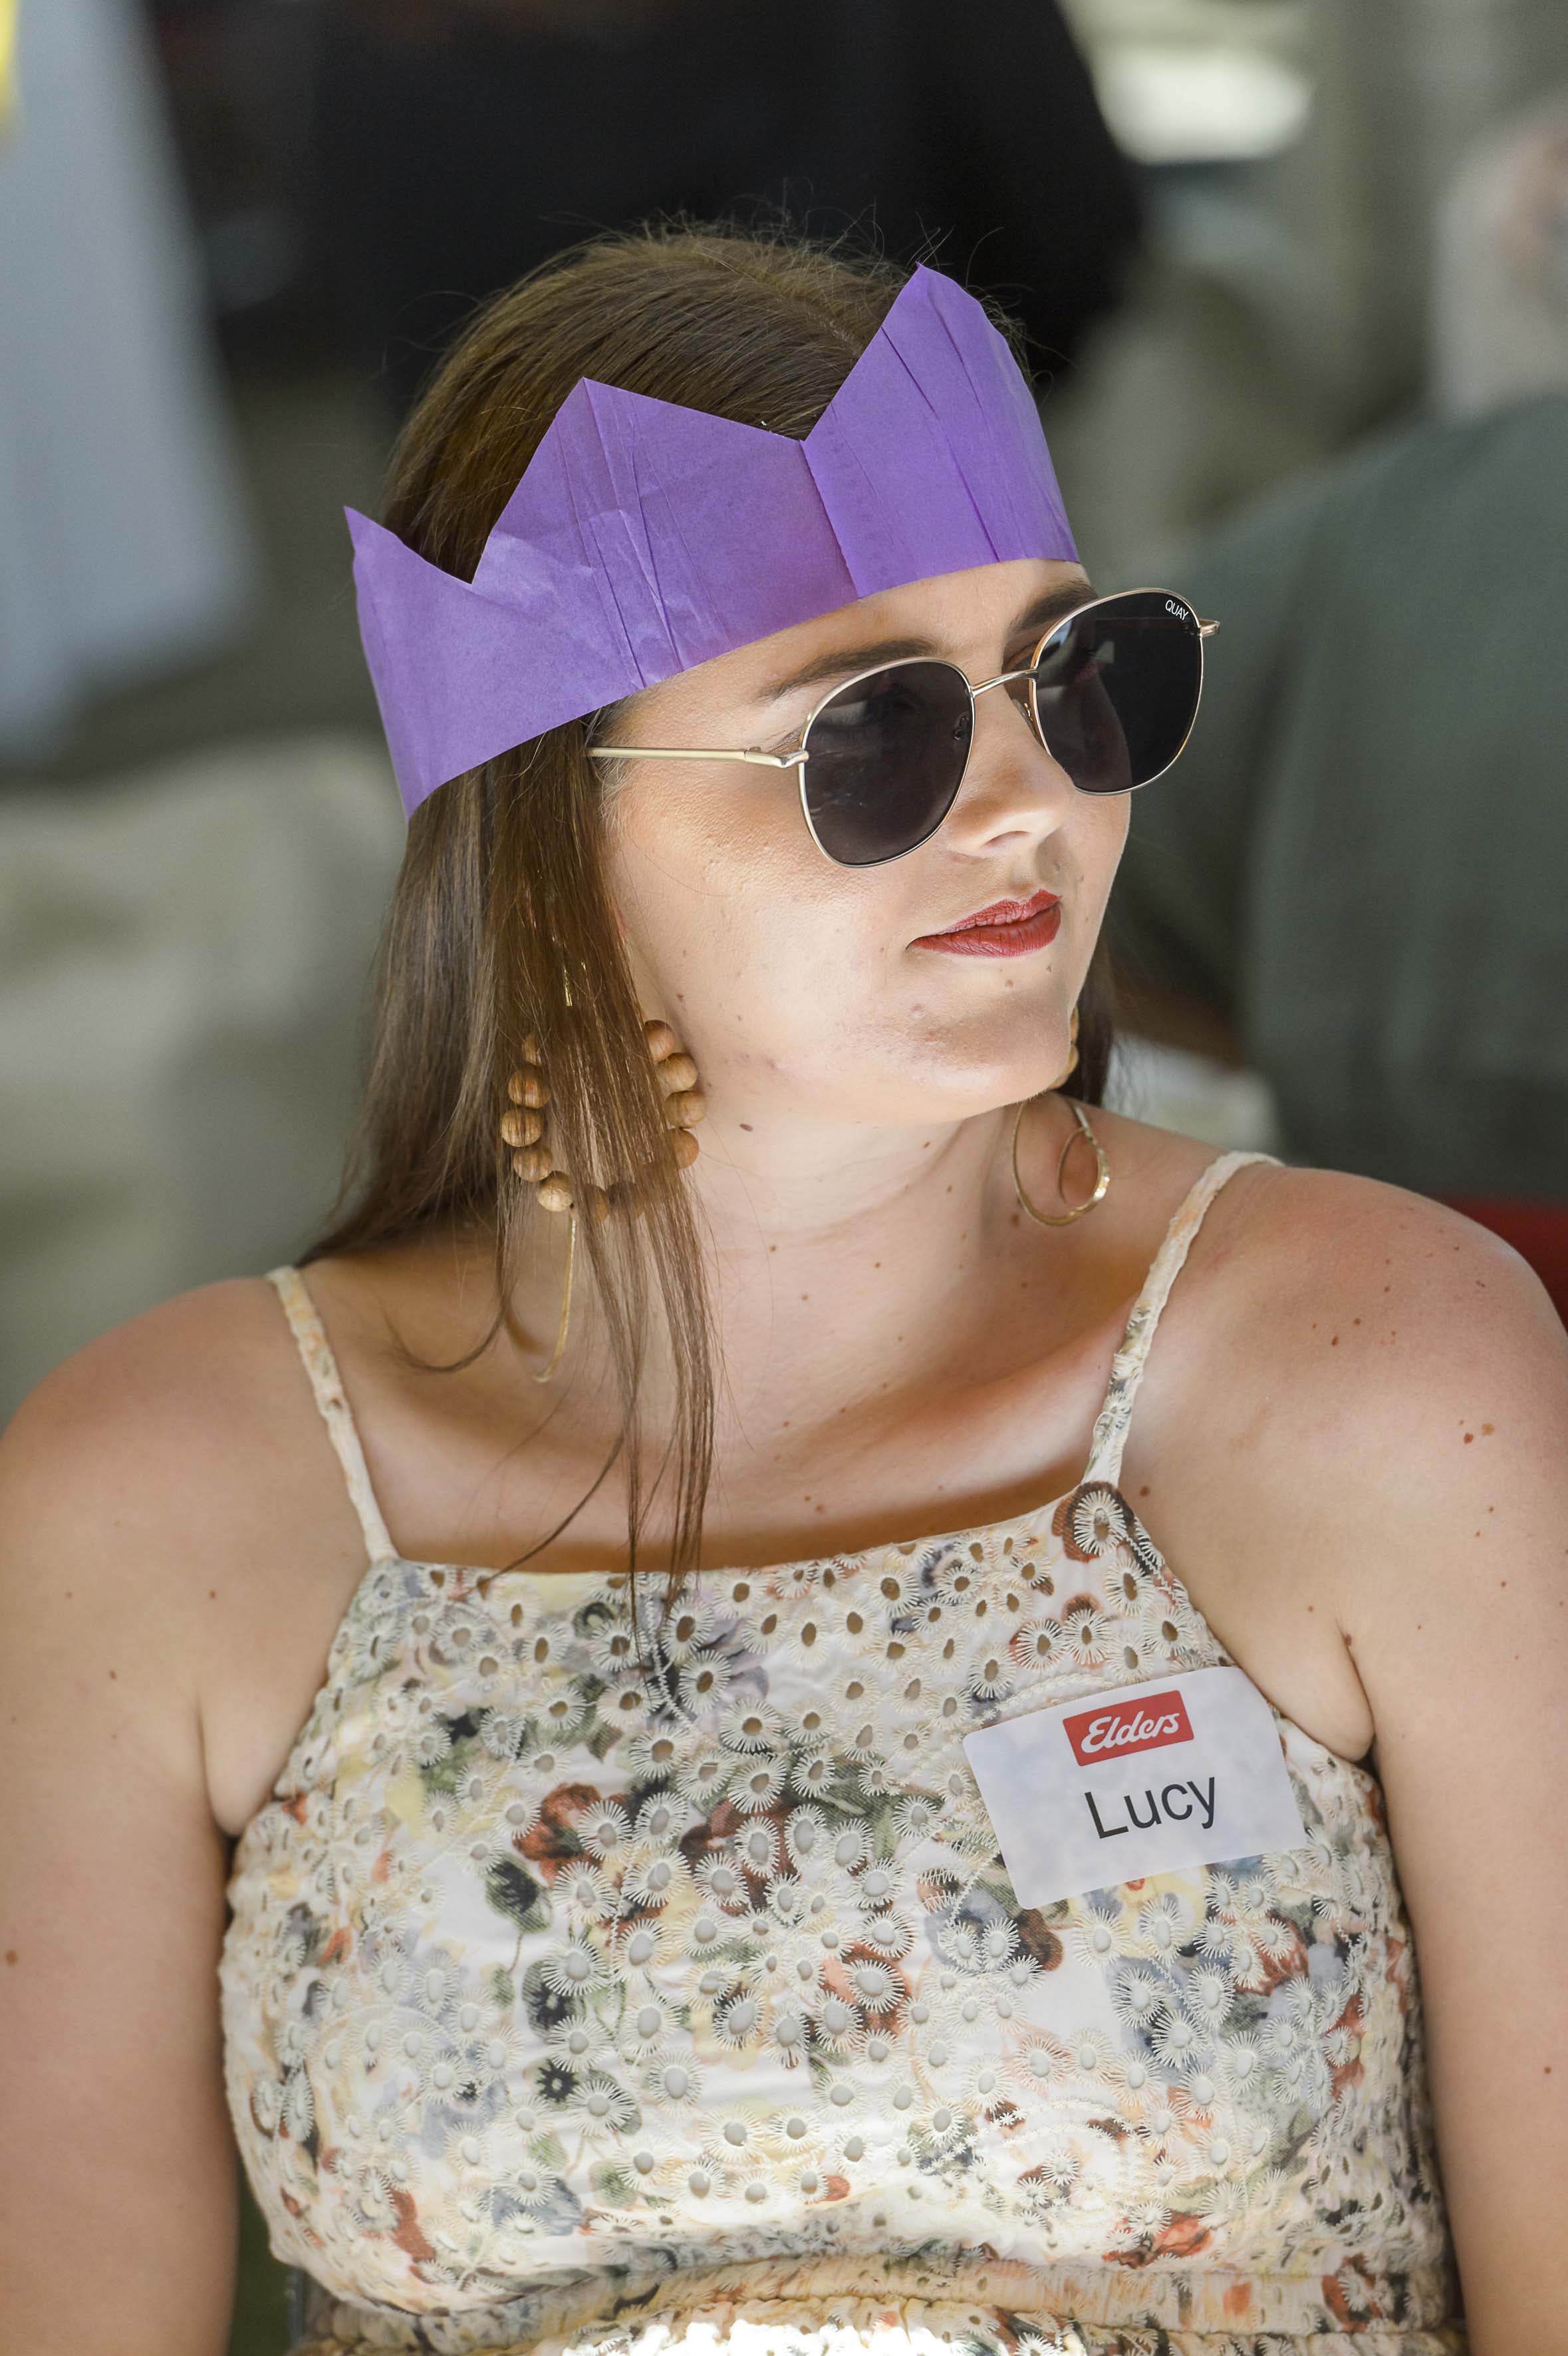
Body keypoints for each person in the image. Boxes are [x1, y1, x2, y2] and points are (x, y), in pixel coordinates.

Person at [1, 222, 1563, 2356]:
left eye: (1075, 675)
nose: (1028, 801)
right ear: (550, 833)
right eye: (874, 734)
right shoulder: (160, 1501)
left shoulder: (1383, 1380)